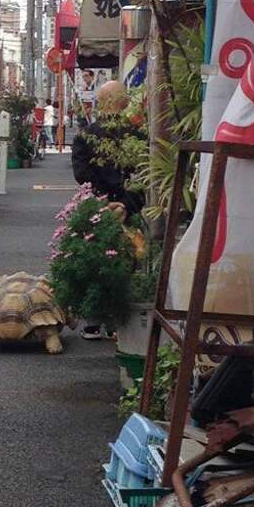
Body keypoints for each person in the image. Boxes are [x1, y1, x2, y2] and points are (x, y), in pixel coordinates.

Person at [71, 80, 146, 340]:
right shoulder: (137, 136)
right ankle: (119, 323)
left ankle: (93, 323)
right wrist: (125, 203)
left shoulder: (85, 136)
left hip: (98, 207)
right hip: (128, 207)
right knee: (127, 262)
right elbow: (142, 177)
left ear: (100, 103)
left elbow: (82, 175)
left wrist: (103, 200)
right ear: (124, 103)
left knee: (95, 260)